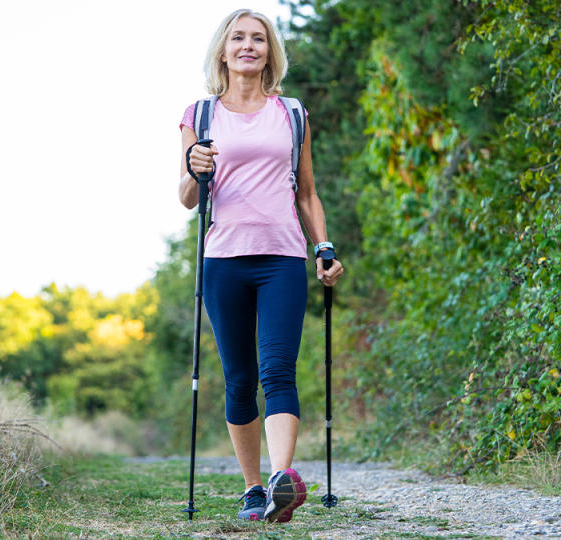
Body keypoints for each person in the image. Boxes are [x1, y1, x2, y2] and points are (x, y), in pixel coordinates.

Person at [178, 8, 344, 523]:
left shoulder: (291, 113)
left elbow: (309, 193)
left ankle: (280, 480)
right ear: (223, 51)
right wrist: (193, 167)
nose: (248, 45)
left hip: (282, 257)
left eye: (259, 39)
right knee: (239, 377)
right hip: (224, 259)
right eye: (238, 38)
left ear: (270, 52)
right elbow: (187, 198)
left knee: (278, 370)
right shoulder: (199, 115)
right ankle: (254, 487)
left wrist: (324, 249)